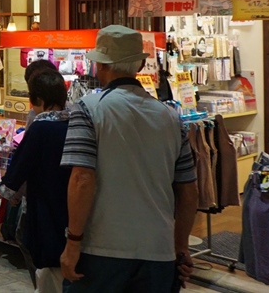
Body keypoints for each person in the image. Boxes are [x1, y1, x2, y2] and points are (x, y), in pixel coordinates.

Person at [60, 25, 198, 292]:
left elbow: (82, 179)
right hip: (158, 252)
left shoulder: (89, 109)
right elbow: (188, 189)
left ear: (101, 65)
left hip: (102, 249)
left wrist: (72, 242)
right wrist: (180, 248)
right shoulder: (171, 117)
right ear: (141, 64)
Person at [0, 69, 70, 293]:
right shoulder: (77, 123)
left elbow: (20, 168)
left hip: (44, 205)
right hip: (72, 205)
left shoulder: (41, 127)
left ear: (35, 100)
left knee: (47, 265)